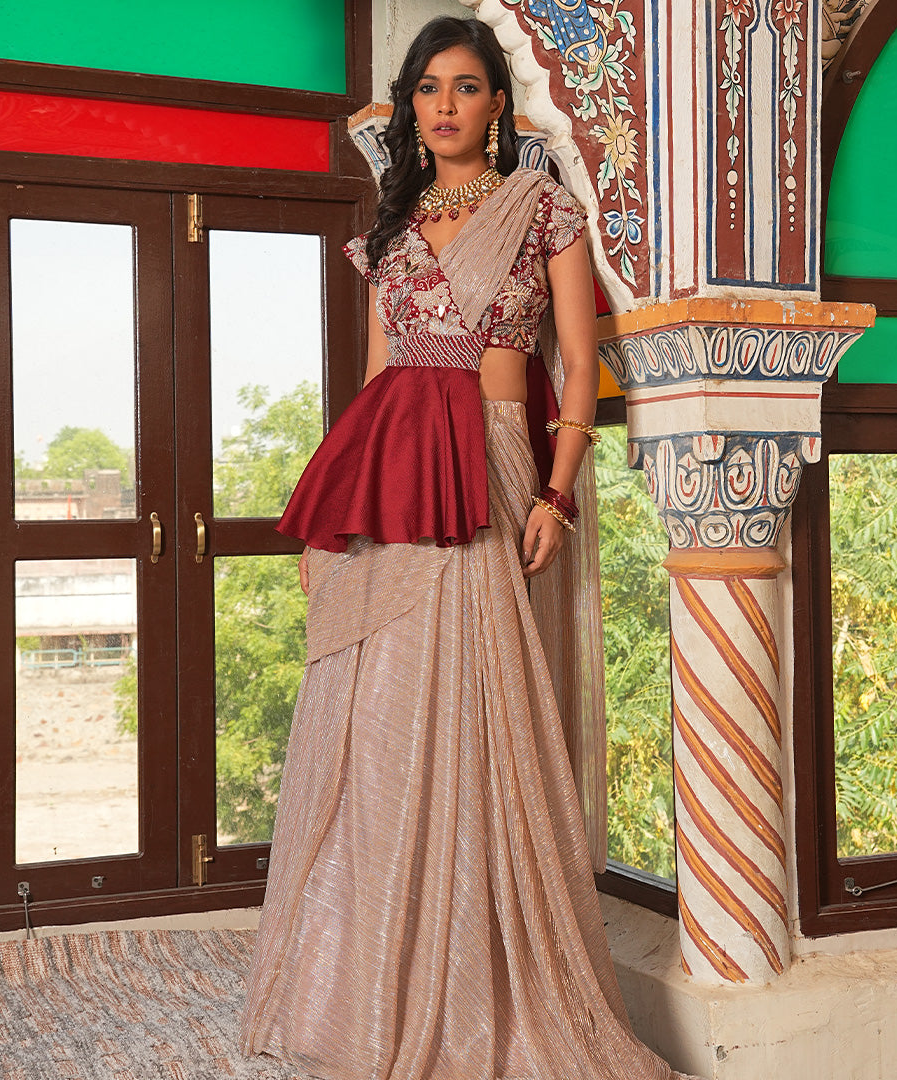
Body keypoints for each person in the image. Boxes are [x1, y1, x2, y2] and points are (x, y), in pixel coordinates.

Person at [239, 16, 699, 1080]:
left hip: (489, 470)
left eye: (466, 86)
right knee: (376, 724)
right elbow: (372, 380)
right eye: (428, 90)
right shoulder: (392, 223)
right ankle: (370, 986)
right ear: (413, 107)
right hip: (391, 480)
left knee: (479, 710)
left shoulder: (544, 209)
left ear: (500, 104)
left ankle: (481, 984)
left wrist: (557, 491)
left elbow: (580, 367)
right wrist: (334, 519)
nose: (444, 105)